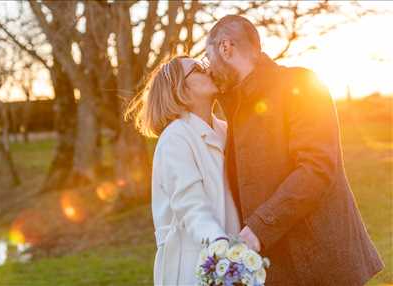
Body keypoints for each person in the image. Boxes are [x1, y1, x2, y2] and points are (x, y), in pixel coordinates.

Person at [204, 15, 384, 285]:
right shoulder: (236, 107)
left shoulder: (300, 84)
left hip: (320, 257)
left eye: (209, 58)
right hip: (276, 263)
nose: (209, 69)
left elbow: (316, 169)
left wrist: (258, 227)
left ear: (225, 48)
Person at [126, 56, 241, 285]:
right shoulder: (175, 138)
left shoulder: (228, 131)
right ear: (179, 90)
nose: (209, 70)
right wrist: (221, 248)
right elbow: (192, 207)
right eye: (198, 68)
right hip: (194, 266)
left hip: (236, 261)